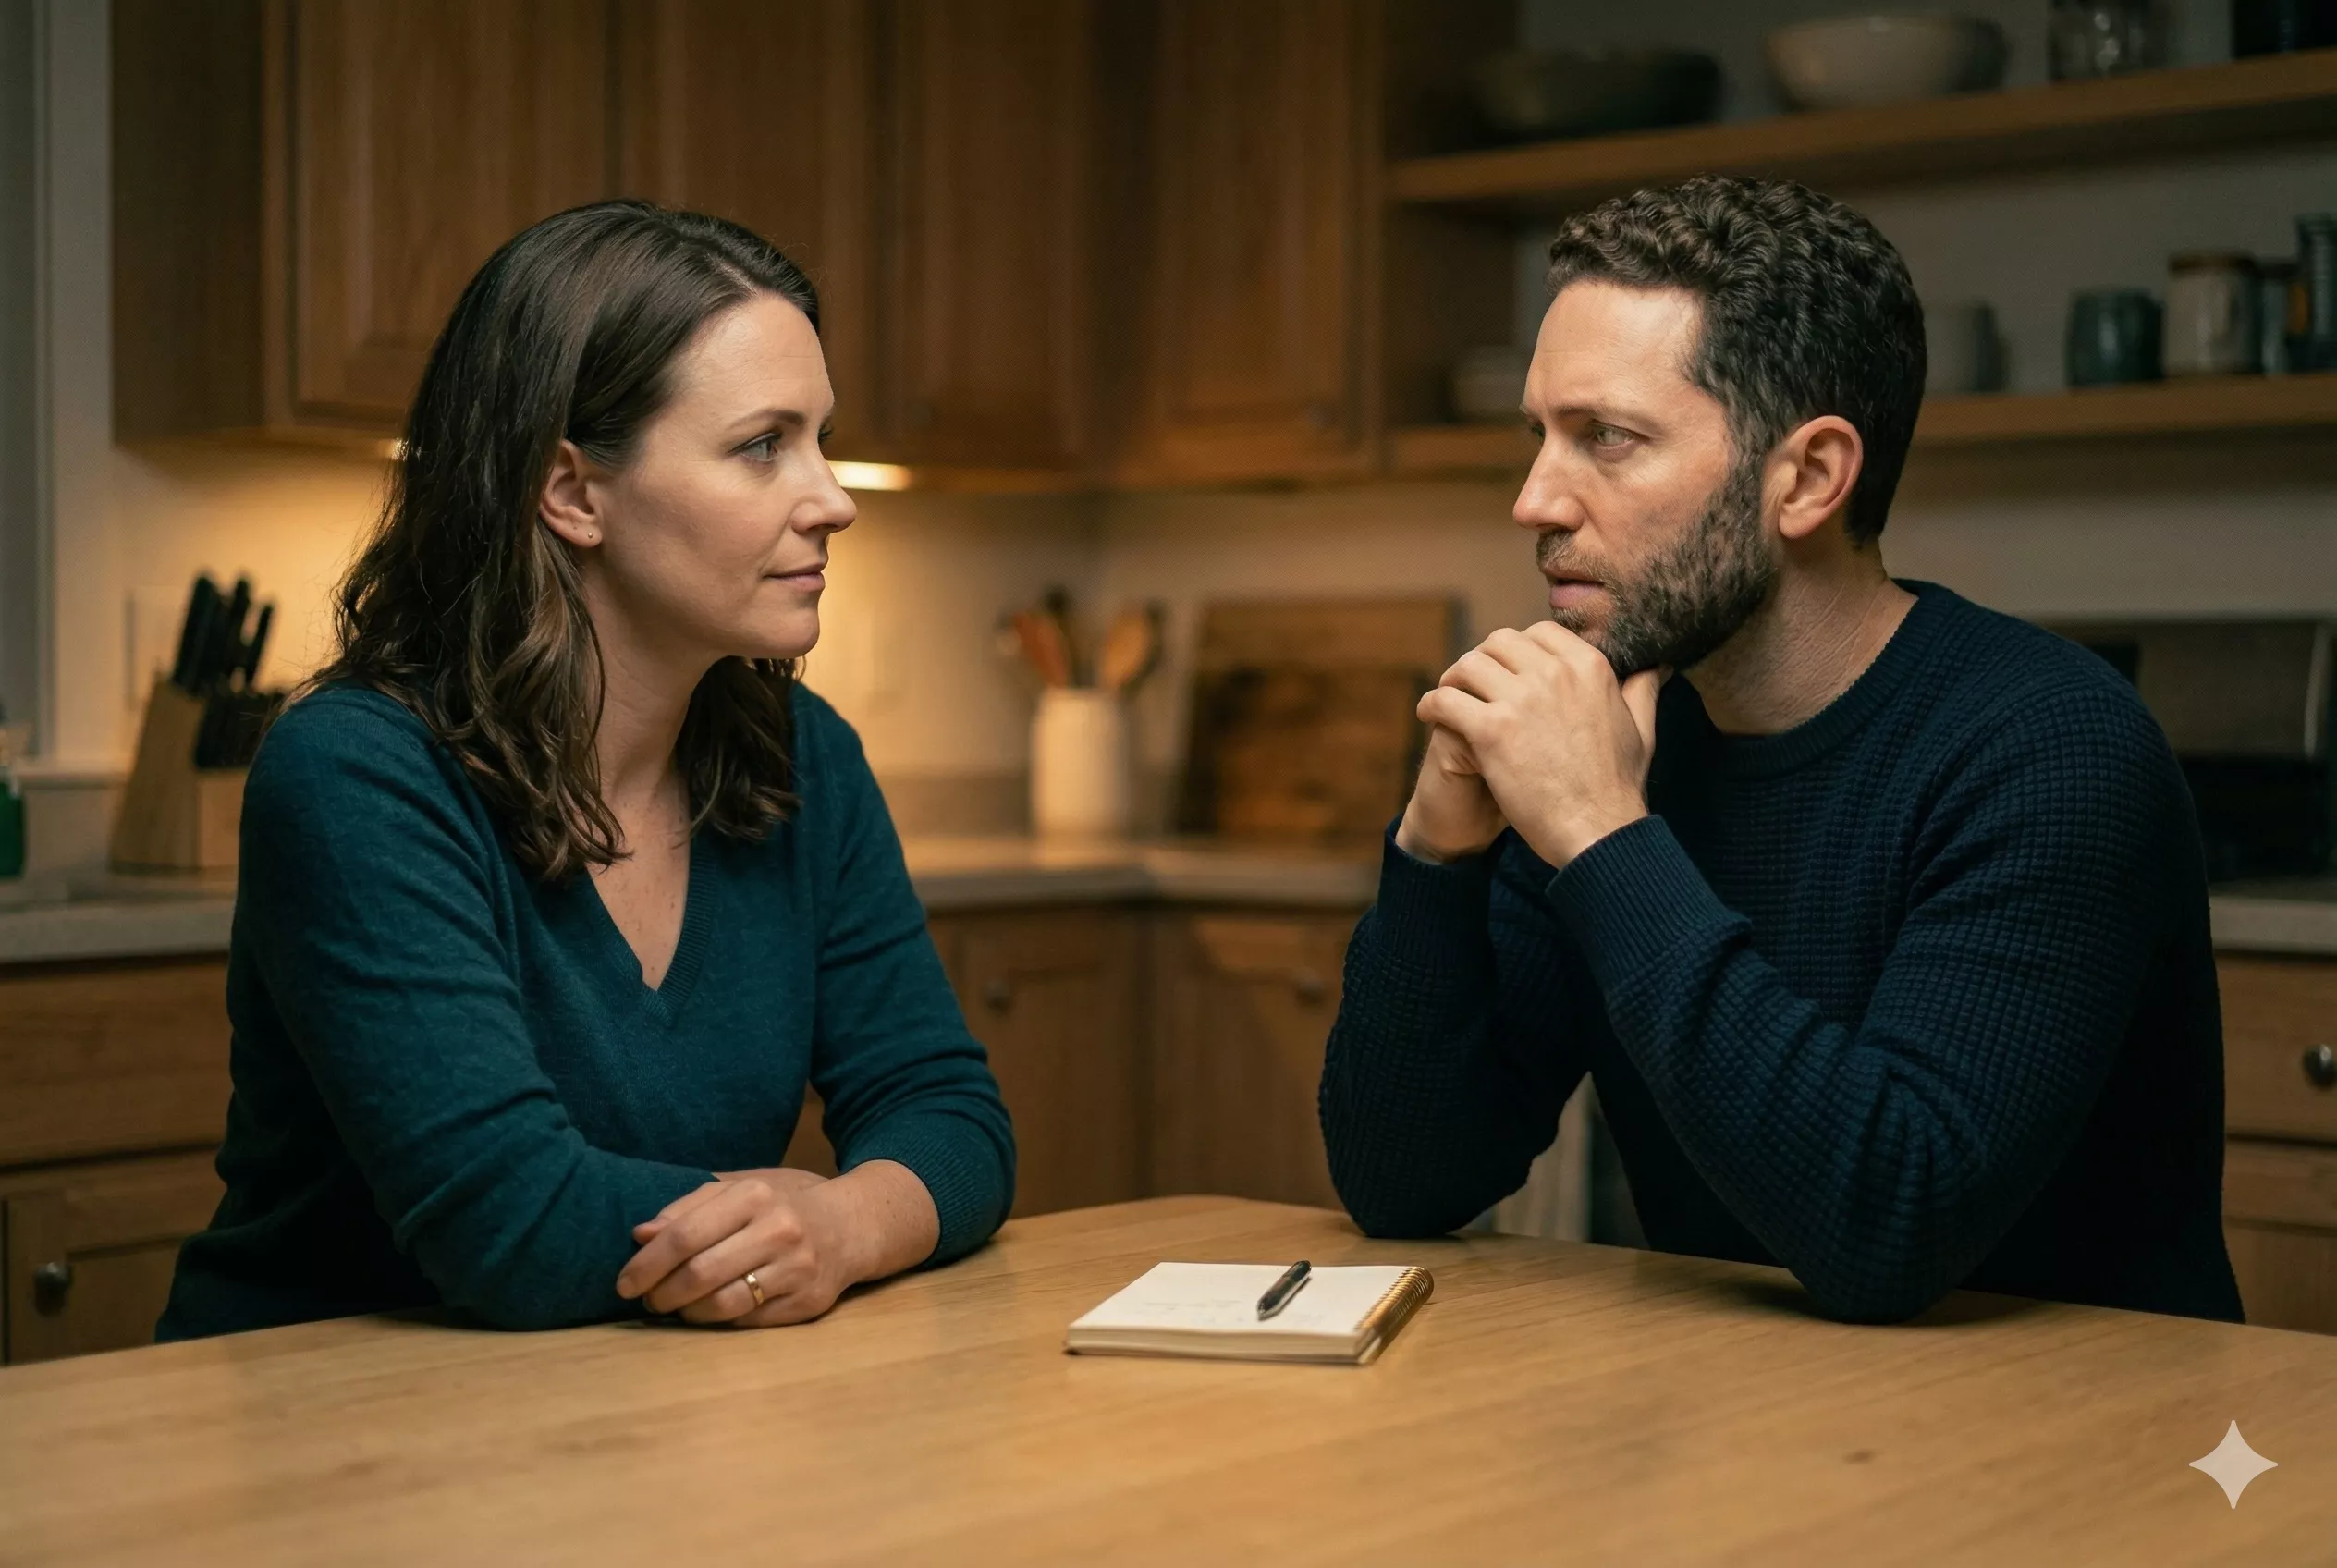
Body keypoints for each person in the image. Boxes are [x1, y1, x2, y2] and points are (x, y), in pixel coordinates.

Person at [1319, 176, 2241, 1325]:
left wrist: (1601, 834)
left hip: (2090, 1449)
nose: (1532, 500)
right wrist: (1435, 855)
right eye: (1538, 436)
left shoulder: (2052, 747)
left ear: (1805, 477)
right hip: (1755, 1424)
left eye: (1605, 438)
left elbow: (1890, 1223)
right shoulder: (1617, 735)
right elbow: (1404, 1182)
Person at [159, 202, 1013, 1340]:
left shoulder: (805, 759)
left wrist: (846, 1225)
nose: (832, 498)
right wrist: (802, 1222)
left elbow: (950, 1114)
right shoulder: (356, 773)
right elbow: (508, 1222)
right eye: (763, 445)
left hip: (644, 1410)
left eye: (819, 438)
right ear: (571, 493)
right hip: (326, 1432)